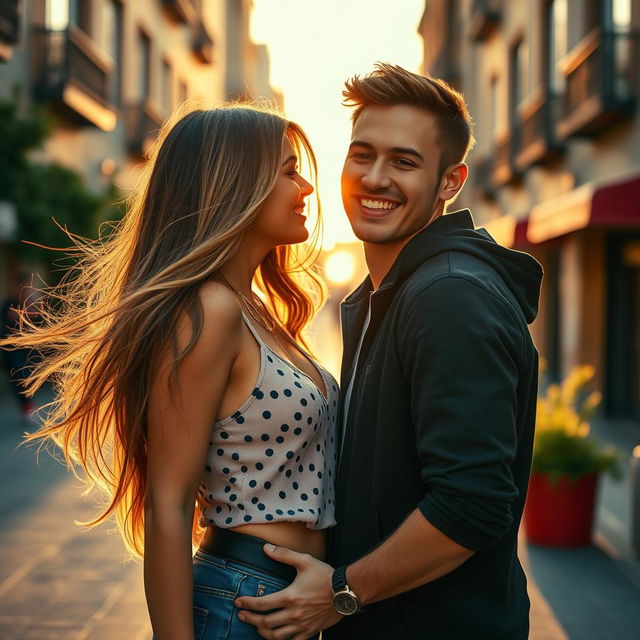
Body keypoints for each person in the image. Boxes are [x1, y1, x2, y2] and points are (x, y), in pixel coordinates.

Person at [0, 105, 338, 640]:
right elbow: (169, 502)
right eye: (288, 171)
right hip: (241, 600)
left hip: (288, 602)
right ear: (236, 185)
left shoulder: (253, 309)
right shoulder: (209, 311)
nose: (306, 189)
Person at [235, 64, 543, 639]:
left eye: (404, 161)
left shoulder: (449, 297)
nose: (375, 178)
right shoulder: (385, 295)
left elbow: (472, 502)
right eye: (362, 154)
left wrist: (341, 593)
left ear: (450, 182)